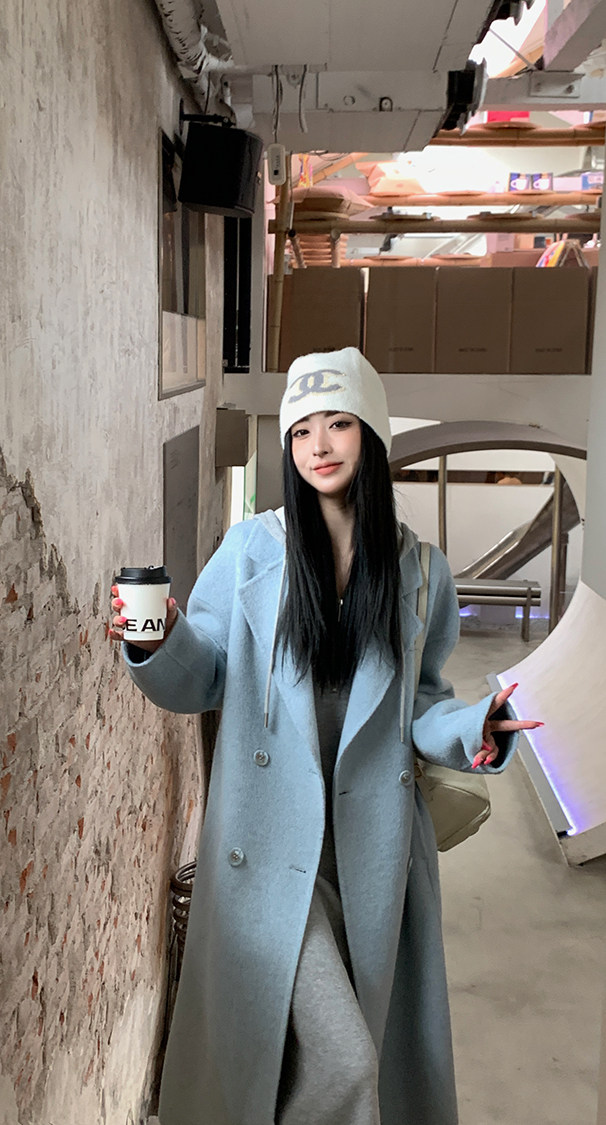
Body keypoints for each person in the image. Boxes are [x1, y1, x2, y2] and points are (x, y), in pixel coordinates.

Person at [109, 347, 542, 1125]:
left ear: (371, 434)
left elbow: (422, 704)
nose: (319, 444)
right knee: (344, 1059)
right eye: (302, 429)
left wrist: (475, 726)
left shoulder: (420, 572)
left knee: (335, 1057)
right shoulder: (252, 550)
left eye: (338, 423)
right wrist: (159, 640)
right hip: (269, 850)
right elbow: (202, 678)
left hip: (371, 851)